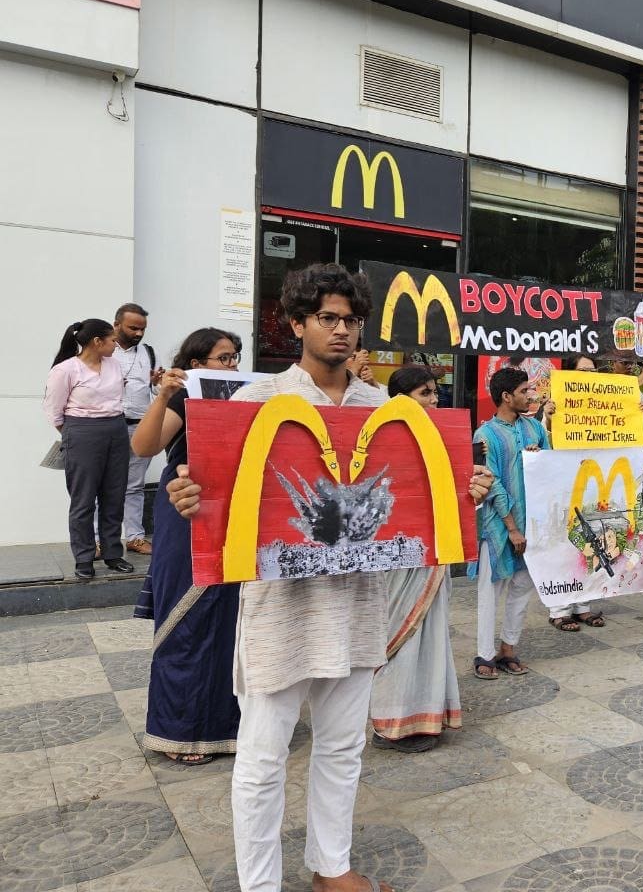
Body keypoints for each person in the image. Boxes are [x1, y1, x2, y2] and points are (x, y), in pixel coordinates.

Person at [165, 263, 492, 892]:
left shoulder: (390, 410)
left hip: (359, 604)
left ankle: (331, 866)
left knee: (343, 747)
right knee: (262, 758)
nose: (341, 331)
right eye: (327, 319)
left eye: (351, 320)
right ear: (297, 324)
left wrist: (466, 491)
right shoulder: (258, 401)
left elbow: (423, 501)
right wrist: (190, 497)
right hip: (280, 608)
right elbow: (214, 494)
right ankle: (258, 885)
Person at [131, 328, 244, 766]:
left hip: (234, 509)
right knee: (189, 615)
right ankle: (181, 729)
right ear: (197, 365)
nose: (232, 366)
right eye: (223, 358)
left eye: (235, 358)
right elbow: (144, 446)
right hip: (186, 506)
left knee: (231, 619)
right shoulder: (184, 399)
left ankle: (227, 726)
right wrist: (164, 395)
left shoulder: (248, 398)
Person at [369, 365, 462, 752]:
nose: (434, 399)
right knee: (397, 635)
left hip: (432, 550)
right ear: (400, 398)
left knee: (430, 633)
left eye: (435, 392)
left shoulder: (442, 437)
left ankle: (425, 717)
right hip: (394, 553)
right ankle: (390, 724)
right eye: (425, 393)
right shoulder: (378, 437)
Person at [472, 365, 549, 678]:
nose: (530, 396)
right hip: (497, 525)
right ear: (506, 396)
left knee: (522, 586)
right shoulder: (485, 434)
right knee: (491, 589)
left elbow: (551, 464)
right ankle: (484, 655)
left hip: (531, 522)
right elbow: (491, 483)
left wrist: (538, 457)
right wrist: (512, 528)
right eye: (523, 391)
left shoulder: (535, 429)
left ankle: (508, 649)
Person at [43, 319, 133, 580]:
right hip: (82, 431)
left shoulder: (114, 365)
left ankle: (112, 553)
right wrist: (75, 435)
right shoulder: (66, 370)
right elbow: (54, 412)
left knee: (114, 495)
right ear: (97, 342)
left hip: (116, 429)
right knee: (83, 500)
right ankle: (84, 557)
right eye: (113, 340)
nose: (116, 344)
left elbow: (117, 397)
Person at [543, 353, 609, 631]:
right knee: (562, 543)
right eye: (583, 371)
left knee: (592, 540)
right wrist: (547, 417)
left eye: (593, 371)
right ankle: (559, 608)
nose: (589, 376)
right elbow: (542, 439)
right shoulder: (553, 404)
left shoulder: (603, 402)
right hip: (562, 483)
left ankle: (584, 605)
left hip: (592, 481)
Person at [112, 304, 163, 556]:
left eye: (142, 329)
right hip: (109, 426)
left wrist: (157, 383)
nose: (139, 333)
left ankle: (134, 537)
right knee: (104, 485)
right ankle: (100, 541)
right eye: (133, 328)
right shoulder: (105, 352)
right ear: (116, 325)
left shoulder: (149, 353)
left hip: (139, 427)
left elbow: (156, 390)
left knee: (135, 486)